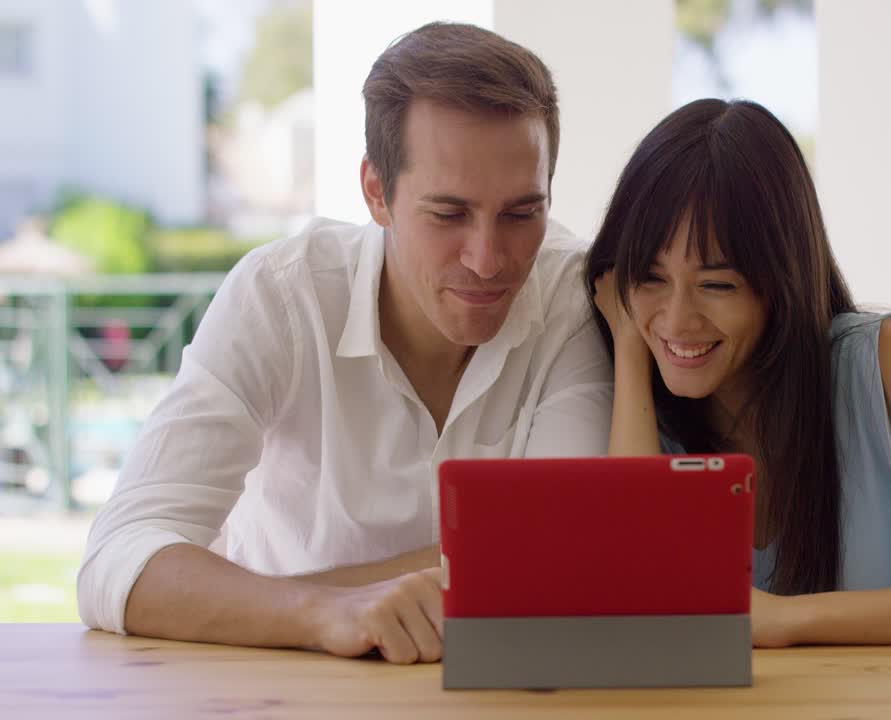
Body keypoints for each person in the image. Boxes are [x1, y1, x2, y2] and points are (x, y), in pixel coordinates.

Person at [77, 23, 612, 664]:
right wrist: (320, 612)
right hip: (278, 689)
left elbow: (562, 557)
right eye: (448, 215)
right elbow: (117, 561)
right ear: (376, 192)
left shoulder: (574, 297)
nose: (488, 258)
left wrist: (264, 597)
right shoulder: (281, 295)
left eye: (523, 214)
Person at [587, 99, 891, 648]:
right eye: (649, 279)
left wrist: (786, 620)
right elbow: (640, 611)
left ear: (781, 281)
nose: (676, 320)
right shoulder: (639, 408)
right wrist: (628, 345)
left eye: (717, 285)